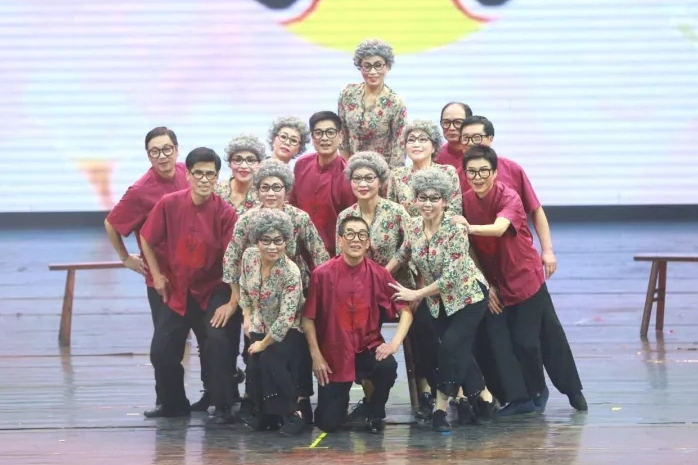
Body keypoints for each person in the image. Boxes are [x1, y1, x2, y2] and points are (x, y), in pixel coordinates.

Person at [458, 116, 586, 411]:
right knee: (501, 341)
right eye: (467, 139)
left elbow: (508, 223)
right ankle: (522, 398)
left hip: (523, 274)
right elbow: (469, 247)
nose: (477, 176)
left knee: (539, 337)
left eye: (478, 137)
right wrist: (485, 283)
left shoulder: (509, 184)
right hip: (493, 278)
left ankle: (571, 390)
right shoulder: (463, 194)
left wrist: (548, 250)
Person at [104, 127, 209, 411]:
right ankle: (172, 403)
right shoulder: (140, 190)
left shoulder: (190, 174)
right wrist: (125, 258)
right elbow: (112, 223)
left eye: (166, 149)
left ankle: (216, 397)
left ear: (176, 149)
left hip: (201, 277)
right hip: (165, 281)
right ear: (148, 155)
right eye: (155, 151)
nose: (162, 156)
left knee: (210, 340)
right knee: (165, 348)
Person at [386, 168, 498, 432]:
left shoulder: (455, 229)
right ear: (414, 200)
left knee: (449, 347)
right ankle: (485, 397)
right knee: (459, 351)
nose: (427, 204)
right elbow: (402, 254)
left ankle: (440, 409)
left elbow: (452, 277)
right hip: (439, 302)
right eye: (422, 198)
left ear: (445, 201)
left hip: (468, 297)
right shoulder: (413, 226)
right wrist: (377, 275)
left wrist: (416, 294)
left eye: (434, 198)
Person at [139, 147, 239, 423]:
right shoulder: (169, 203)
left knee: (216, 341)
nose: (204, 179)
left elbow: (234, 260)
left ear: (217, 178)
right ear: (189, 176)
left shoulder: (226, 213)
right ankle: (173, 404)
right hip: (178, 289)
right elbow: (146, 237)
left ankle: (223, 405)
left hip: (213, 289)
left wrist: (232, 302)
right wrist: (156, 275)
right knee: (161, 349)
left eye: (210, 174)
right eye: (199, 173)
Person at [223, 159, 328, 422]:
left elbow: (320, 257)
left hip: (294, 292)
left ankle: (300, 402)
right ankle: (258, 401)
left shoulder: (299, 218)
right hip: (258, 297)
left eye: (277, 187)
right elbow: (231, 259)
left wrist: (320, 296)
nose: (271, 193)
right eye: (265, 187)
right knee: (256, 348)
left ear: (286, 189)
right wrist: (242, 307)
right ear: (257, 190)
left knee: (294, 350)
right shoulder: (247, 220)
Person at [302, 217, 414, 434]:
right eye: (350, 234)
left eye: (362, 235)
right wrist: (317, 356)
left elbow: (406, 312)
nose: (356, 240)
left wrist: (393, 344)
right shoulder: (321, 274)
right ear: (340, 240)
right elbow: (308, 318)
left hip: (367, 348)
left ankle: (374, 409)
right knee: (328, 424)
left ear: (368, 242)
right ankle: (341, 402)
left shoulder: (379, 273)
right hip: (334, 355)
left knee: (387, 366)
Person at [335, 152, 414, 422]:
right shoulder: (346, 215)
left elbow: (409, 245)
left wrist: (383, 272)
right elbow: (341, 255)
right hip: (358, 288)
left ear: (380, 181)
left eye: (369, 178)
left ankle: (424, 397)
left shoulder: (396, 211)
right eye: (357, 178)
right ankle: (369, 400)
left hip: (395, 284)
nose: (363, 184)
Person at [238, 209, 309, 436]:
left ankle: (296, 412)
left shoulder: (290, 272)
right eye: (266, 240)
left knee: (270, 358)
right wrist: (247, 318)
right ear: (256, 240)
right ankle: (267, 413)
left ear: (286, 241)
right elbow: (244, 289)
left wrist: (263, 343)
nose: (272, 247)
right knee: (254, 362)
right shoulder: (249, 257)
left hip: (290, 330)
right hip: (259, 323)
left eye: (278, 241)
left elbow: (286, 318)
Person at [289, 111, 356, 256]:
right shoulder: (301, 165)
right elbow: (292, 207)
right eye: (318, 133)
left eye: (330, 132)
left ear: (340, 136)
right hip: (298, 251)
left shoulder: (349, 175)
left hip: (332, 255)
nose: (324, 138)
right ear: (312, 138)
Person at [337, 38, 407, 168]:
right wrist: (346, 168)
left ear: (387, 66)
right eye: (367, 66)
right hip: (352, 169)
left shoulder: (395, 103)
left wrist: (390, 176)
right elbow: (342, 135)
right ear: (360, 67)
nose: (372, 72)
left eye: (378, 65)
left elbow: (399, 146)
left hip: (381, 171)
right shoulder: (348, 94)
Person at [387, 119, 462, 217]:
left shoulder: (448, 172)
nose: (416, 145)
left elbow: (455, 212)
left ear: (434, 147)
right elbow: (391, 213)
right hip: (407, 227)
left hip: (442, 226)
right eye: (411, 140)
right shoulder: (397, 175)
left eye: (422, 139)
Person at [214, 134, 264, 217]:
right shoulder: (216, 192)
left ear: (259, 164)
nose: (244, 166)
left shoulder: (264, 195)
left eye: (250, 160)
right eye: (237, 160)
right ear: (229, 163)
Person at [435, 101, 473, 179]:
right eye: (446, 122)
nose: (451, 128)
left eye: (458, 122)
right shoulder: (435, 157)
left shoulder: (482, 155)